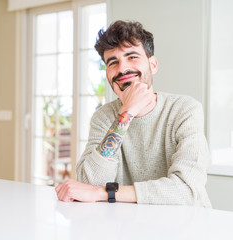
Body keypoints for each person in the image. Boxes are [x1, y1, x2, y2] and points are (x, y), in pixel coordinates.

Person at [55, 20, 212, 207]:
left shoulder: (184, 109)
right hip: (130, 224)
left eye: (132, 57)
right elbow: (88, 182)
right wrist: (127, 112)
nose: (122, 68)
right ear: (107, 75)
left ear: (152, 65)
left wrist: (104, 193)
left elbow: (186, 190)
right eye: (113, 62)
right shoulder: (104, 117)